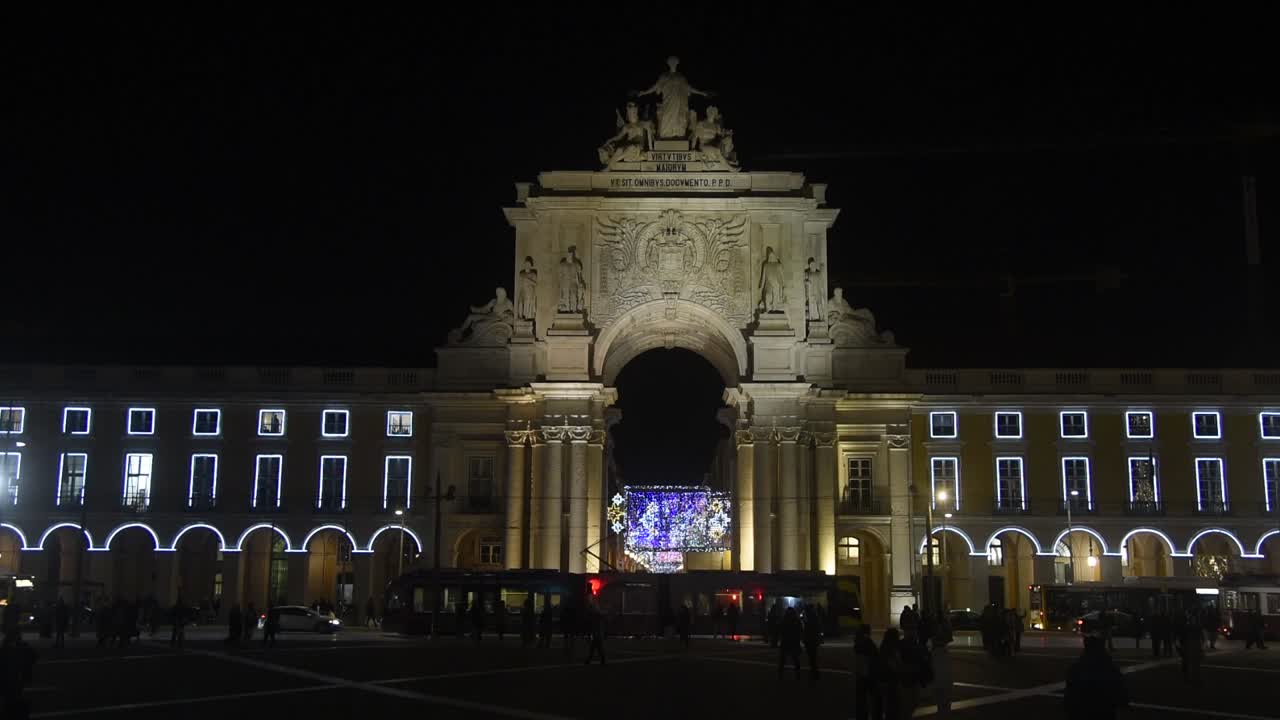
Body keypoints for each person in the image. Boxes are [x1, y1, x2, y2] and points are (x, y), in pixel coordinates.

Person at [1064, 635, 1128, 720]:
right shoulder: (1110, 668)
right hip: (1105, 713)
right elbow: (1121, 694)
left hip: (1079, 713)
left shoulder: (1076, 668)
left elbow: (1069, 695)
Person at [852, 624, 880, 720]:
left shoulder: (858, 642)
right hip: (869, 674)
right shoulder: (868, 643)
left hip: (860, 674)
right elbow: (875, 657)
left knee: (861, 699)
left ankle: (861, 716)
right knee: (874, 697)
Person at [932, 616, 954, 719]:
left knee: (941, 703)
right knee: (945, 703)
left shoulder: (934, 654)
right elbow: (948, 670)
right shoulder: (945, 653)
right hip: (945, 683)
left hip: (939, 683)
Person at [877, 629, 902, 720]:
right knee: (892, 706)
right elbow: (894, 666)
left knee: (888, 705)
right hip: (891, 682)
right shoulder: (891, 650)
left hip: (884, 681)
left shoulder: (884, 648)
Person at [1175, 610, 1204, 683]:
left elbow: (1201, 637)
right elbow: (1201, 637)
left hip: (1192, 645)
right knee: (1192, 663)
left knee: (1193, 663)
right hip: (1191, 645)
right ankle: (1193, 678)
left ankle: (1192, 677)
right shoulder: (1193, 627)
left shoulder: (1188, 627)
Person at [777, 607, 802, 680]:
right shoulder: (796, 620)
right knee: (795, 658)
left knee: (783, 659)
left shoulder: (784, 620)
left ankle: (780, 673)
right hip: (794, 641)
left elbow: (781, 630)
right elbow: (800, 630)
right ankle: (797, 674)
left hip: (786, 641)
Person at [802, 604, 822, 683]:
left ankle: (814, 672)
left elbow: (807, 629)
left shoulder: (809, 618)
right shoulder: (814, 616)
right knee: (813, 657)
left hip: (810, 640)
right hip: (813, 640)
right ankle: (815, 672)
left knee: (812, 657)